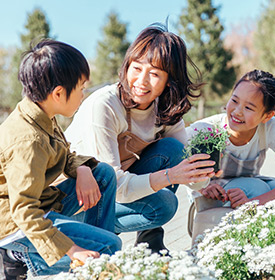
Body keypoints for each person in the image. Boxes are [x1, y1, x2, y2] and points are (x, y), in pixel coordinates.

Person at [65, 24, 217, 252]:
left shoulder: (165, 109)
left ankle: (149, 242)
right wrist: (169, 176)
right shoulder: (104, 105)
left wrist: (201, 174)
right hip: (75, 202)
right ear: (127, 66)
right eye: (136, 68)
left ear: (169, 80)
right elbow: (113, 184)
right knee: (163, 204)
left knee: (173, 150)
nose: (141, 81)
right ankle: (94, 235)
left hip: (115, 192)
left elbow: (185, 168)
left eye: (155, 74)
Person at [0, 39, 121, 279]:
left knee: (103, 175)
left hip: (40, 204)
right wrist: (74, 250)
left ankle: (94, 264)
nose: (83, 95)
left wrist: (83, 170)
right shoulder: (28, 141)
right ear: (58, 93)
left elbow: (63, 155)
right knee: (109, 249)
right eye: (81, 88)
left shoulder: (41, 112)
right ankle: (20, 257)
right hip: (16, 223)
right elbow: (24, 212)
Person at [185, 69, 275, 208]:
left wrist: (255, 203)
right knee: (257, 189)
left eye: (248, 108)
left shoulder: (272, 127)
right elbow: (174, 162)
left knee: (274, 188)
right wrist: (203, 187)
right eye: (234, 100)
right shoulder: (206, 129)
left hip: (249, 184)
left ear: (267, 116)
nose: (237, 112)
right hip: (212, 192)